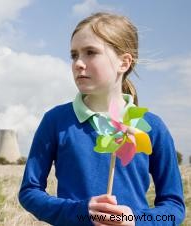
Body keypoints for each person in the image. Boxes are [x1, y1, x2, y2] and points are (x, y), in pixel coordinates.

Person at [18, 12, 185, 226]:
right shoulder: (56, 121)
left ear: (124, 63)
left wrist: (135, 221)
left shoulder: (152, 127)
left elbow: (174, 207)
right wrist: (79, 212)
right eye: (74, 55)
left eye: (90, 52)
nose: (78, 63)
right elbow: (29, 191)